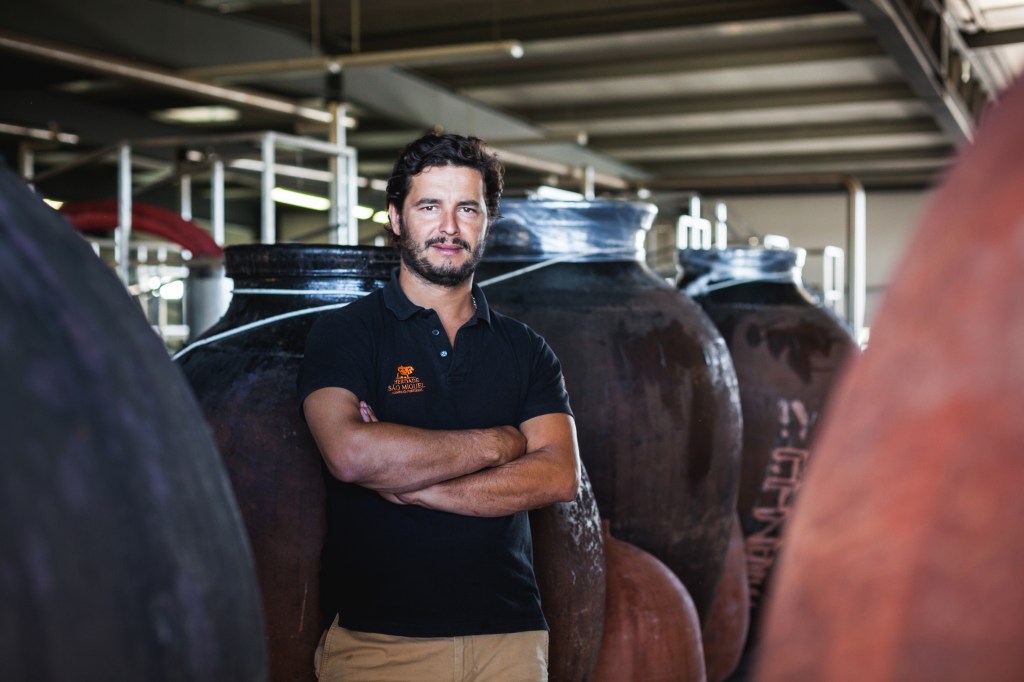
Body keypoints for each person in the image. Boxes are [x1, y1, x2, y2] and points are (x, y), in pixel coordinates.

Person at [298, 132, 581, 681]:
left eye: (466, 209)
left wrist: (412, 482)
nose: (449, 228)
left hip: (512, 641)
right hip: (381, 643)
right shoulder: (346, 335)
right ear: (397, 218)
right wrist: (500, 444)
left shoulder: (525, 348)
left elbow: (557, 475)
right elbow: (352, 455)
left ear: (487, 221)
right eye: (429, 206)